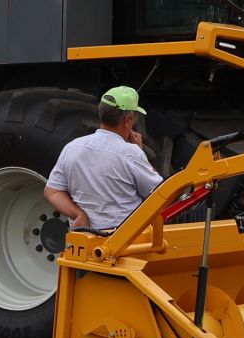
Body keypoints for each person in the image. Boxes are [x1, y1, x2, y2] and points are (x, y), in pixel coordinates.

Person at [44, 86, 163, 234]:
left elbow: (52, 192)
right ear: (127, 120)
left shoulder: (72, 147)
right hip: (124, 241)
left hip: (84, 239)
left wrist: (79, 214)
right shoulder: (131, 154)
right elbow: (160, 195)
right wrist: (139, 152)